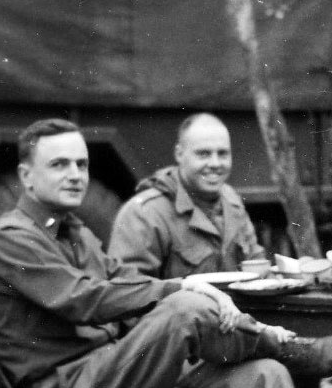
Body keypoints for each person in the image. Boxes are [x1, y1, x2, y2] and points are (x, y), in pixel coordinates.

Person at [0, 119, 332, 388]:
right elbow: (85, 299)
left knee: (265, 377)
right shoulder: (12, 239)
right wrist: (182, 286)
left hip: (118, 374)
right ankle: (276, 343)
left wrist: (190, 293)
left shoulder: (73, 231)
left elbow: (118, 276)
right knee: (182, 305)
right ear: (26, 176)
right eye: (59, 165)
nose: (75, 175)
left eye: (81, 164)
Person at [109, 113, 265, 279]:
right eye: (203, 154)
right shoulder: (145, 213)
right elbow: (127, 289)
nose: (215, 164)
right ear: (179, 154)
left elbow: (256, 265)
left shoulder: (231, 202)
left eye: (223, 154)